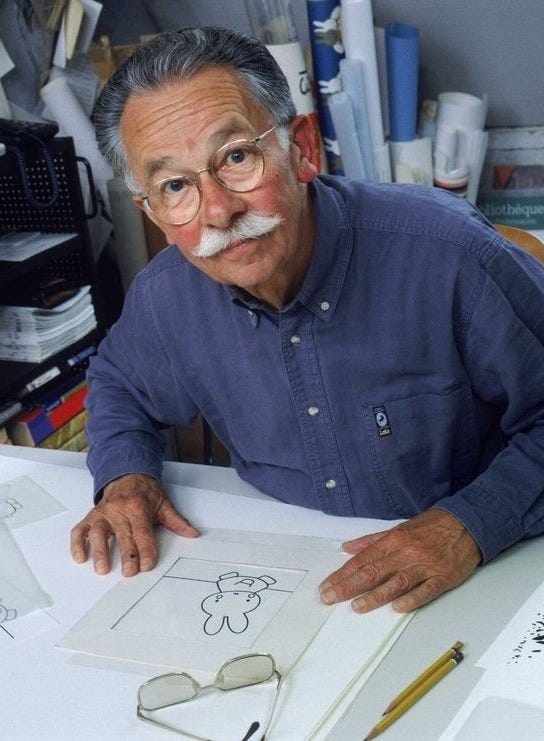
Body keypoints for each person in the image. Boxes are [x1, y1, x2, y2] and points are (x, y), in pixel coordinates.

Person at [71, 26, 544, 615]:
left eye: (236, 157)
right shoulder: (167, 297)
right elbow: (118, 384)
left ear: (301, 149)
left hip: (477, 578)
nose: (218, 211)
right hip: (283, 586)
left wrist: (468, 525)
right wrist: (126, 477)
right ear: (153, 213)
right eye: (174, 186)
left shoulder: (448, 255)